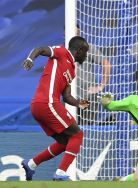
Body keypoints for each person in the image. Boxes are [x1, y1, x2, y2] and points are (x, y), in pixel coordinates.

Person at [21, 36, 90, 181]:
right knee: (77, 135)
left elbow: (66, 96)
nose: (86, 55)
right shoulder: (61, 52)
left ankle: (32, 164)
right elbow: (40, 49)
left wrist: (78, 103)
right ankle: (60, 173)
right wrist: (30, 59)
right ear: (80, 50)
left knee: (66, 142)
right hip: (47, 103)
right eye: (86, 52)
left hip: (39, 106)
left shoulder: (71, 70)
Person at [75, 25, 111, 125]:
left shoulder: (87, 48)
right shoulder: (62, 50)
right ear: (65, 34)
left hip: (87, 97)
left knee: (87, 131)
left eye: (77, 33)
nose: (75, 35)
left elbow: (106, 63)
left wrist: (101, 86)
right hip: (68, 98)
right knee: (67, 132)